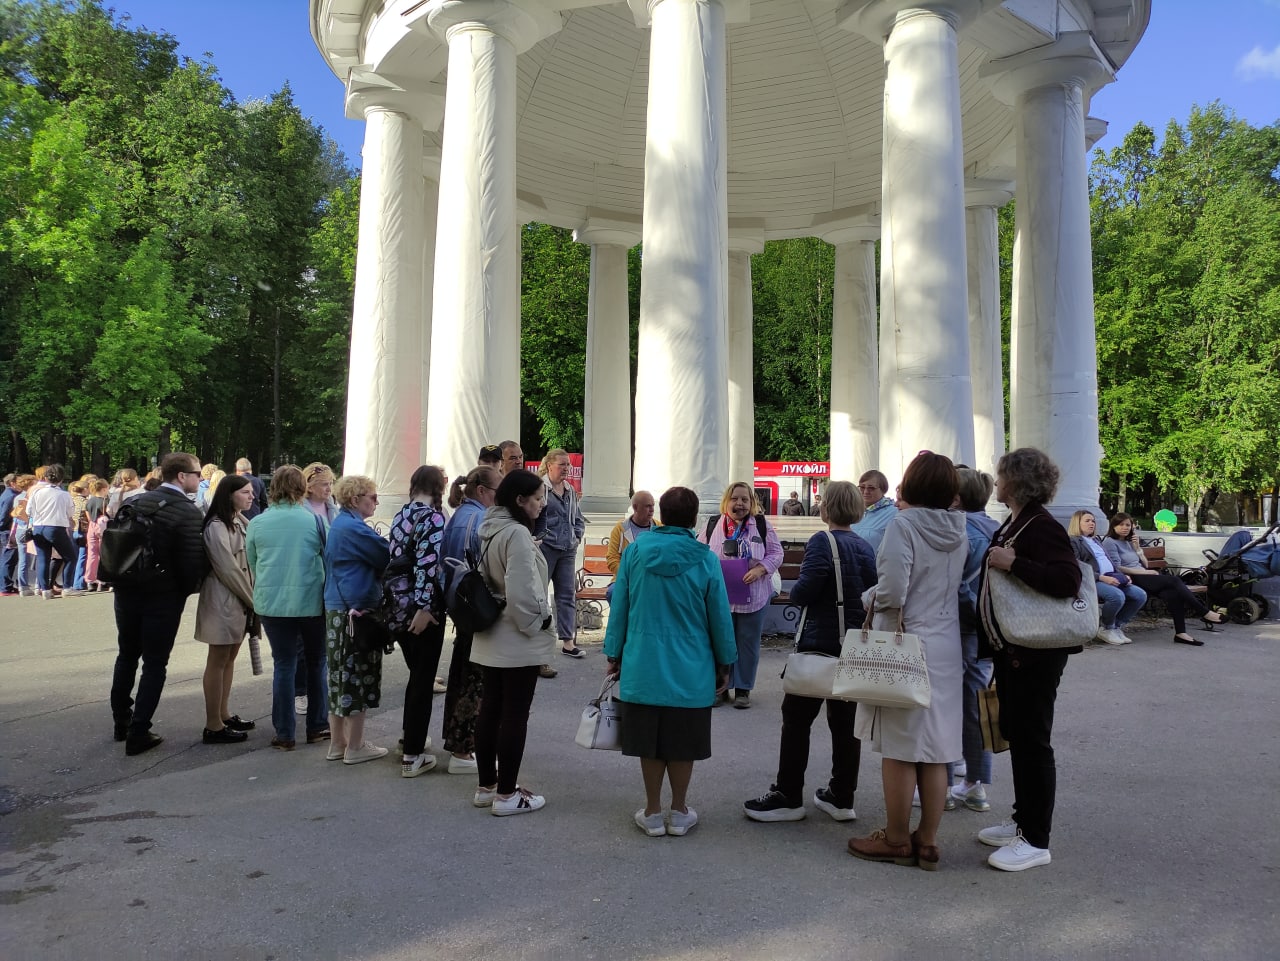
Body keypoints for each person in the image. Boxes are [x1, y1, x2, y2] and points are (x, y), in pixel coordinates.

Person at [848, 452, 966, 871]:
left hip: (906, 642)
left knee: (899, 748)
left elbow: (894, 590)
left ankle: (897, 838)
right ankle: (928, 841)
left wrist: (867, 598)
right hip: (945, 643)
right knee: (934, 750)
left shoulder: (903, 525)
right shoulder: (959, 527)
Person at [972, 448, 1089, 872]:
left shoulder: (1041, 525)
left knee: (1033, 741)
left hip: (1036, 654)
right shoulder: (1021, 519)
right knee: (1020, 736)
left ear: (1016, 481)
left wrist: (1014, 562)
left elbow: (1067, 579)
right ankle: (1024, 822)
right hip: (1017, 651)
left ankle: (1036, 840)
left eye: (1001, 476)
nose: (996, 483)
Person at [604, 486, 736, 837]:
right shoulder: (705, 558)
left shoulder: (634, 553)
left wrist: (614, 652)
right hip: (691, 666)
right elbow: (719, 617)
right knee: (682, 741)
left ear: (661, 511)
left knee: (650, 741)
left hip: (642, 661)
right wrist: (725, 661)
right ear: (694, 518)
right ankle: (679, 811)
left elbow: (621, 608)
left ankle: (651, 810)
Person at [743, 480, 877, 823]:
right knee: (845, 724)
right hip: (851, 645)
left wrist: (797, 593)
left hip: (820, 643)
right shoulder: (864, 546)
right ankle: (841, 796)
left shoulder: (822, 540)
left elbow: (809, 586)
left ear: (827, 508)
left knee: (797, 719)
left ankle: (788, 794)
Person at [471, 469, 556, 815]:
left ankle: (487, 785)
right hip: (516, 637)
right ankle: (507, 794)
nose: (541, 504)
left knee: (490, 709)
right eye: (537, 498)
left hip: (493, 633)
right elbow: (523, 593)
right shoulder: (517, 533)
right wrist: (542, 622)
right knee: (514, 715)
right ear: (520, 500)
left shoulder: (490, 528)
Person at [110, 453, 207, 756]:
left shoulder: (136, 501)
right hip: (162, 596)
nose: (200, 479)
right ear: (181, 476)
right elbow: (193, 562)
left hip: (126, 590)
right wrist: (185, 590)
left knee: (126, 654)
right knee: (155, 663)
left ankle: (121, 721)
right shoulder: (187, 512)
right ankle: (140, 730)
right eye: (197, 473)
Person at [246, 465, 329, 751]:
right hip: (310, 601)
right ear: (301, 489)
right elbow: (327, 555)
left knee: (284, 664)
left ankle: (284, 732)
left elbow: (253, 562)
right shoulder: (314, 520)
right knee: (317, 663)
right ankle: (318, 726)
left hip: (272, 603)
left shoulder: (257, 522)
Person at [385, 465, 448, 778]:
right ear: (438, 487)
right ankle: (413, 753)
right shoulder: (433, 518)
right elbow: (427, 565)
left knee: (417, 677)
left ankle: (410, 739)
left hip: (397, 605)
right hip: (423, 609)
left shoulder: (400, 515)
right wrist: (425, 607)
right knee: (423, 681)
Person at [323, 474, 392, 764]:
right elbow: (386, 555)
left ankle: (338, 743)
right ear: (355, 499)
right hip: (358, 610)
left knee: (339, 677)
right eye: (372, 497)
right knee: (357, 677)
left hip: (339, 609)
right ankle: (356, 746)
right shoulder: (354, 528)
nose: (376, 502)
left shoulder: (341, 524)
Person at [697, 481, 783, 710]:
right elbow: (699, 553)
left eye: (745, 499)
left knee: (747, 643)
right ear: (727, 501)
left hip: (753, 596)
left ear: (752, 503)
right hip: (720, 597)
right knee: (720, 641)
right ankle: (720, 689)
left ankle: (743, 689)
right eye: (735, 498)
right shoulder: (712, 525)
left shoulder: (762, 526)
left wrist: (760, 569)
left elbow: (776, 553)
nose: (740, 504)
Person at [440, 465, 501, 774]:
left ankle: (459, 744)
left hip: (460, 607)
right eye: (496, 492)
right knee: (475, 682)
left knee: (463, 675)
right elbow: (485, 566)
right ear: (482, 491)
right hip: (474, 608)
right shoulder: (478, 519)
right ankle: (463, 751)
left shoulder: (460, 515)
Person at [948, 468, 1001, 813]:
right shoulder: (996, 529)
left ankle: (952, 781)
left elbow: (961, 585)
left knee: (953, 706)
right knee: (981, 704)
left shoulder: (961, 531)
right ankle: (976, 783)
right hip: (990, 630)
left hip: (962, 628)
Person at [194, 475, 256, 746]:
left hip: (239, 600)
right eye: (245, 492)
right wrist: (254, 600)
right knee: (218, 660)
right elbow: (228, 569)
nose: (251, 496)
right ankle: (213, 724)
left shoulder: (240, 521)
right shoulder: (217, 526)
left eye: (251, 492)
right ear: (228, 494)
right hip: (223, 600)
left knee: (229, 658)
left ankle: (224, 714)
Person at [1104, 513, 1224, 646]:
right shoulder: (1110, 542)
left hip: (1144, 575)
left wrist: (1137, 548)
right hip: (1131, 578)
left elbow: (1145, 564)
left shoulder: (1129, 542)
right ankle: (1204, 612)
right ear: (1113, 526)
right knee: (1174, 581)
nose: (1125, 527)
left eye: (1128, 525)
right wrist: (1147, 572)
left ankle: (1181, 633)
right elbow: (1118, 568)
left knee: (1173, 593)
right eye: (1121, 525)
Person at [294, 462, 339, 717]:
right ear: (309, 487)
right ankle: (300, 692)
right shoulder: (303, 510)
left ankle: (318, 688)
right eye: (324, 484)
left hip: (330, 579)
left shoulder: (333, 508)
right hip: (310, 579)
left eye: (331, 483)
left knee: (322, 641)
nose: (329, 489)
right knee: (304, 643)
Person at [534, 448, 586, 659]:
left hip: (567, 550)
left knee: (566, 595)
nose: (566, 468)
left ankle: (568, 642)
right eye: (562, 464)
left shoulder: (570, 490)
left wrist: (577, 535)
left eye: (568, 464)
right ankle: (538, 641)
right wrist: (539, 538)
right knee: (538, 595)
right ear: (549, 466)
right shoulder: (541, 489)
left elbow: (578, 516)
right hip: (546, 548)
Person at [1068, 510, 1146, 646]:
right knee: (1117, 596)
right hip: (1092, 580)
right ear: (1077, 523)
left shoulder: (1095, 540)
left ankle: (1116, 626)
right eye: (1087, 521)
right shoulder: (1073, 541)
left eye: (1093, 521)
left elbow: (1109, 561)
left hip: (1112, 577)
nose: (1091, 523)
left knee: (1140, 595)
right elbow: (1077, 566)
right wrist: (1101, 578)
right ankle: (1106, 627)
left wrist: (1122, 576)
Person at [28, 464, 77, 599]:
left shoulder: (37, 492)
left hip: (38, 527)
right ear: (61, 479)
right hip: (56, 527)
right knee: (70, 557)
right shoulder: (63, 494)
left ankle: (45, 590)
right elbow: (70, 512)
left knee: (43, 558)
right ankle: (67, 587)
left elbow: (28, 511)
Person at [605, 490, 656, 602]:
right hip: (624, 578)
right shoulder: (620, 529)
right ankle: (619, 619)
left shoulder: (659, 527)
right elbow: (612, 558)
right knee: (613, 593)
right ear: (635, 507)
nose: (652, 510)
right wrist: (627, 574)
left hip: (652, 579)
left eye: (653, 506)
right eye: (648, 506)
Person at [850, 470, 898, 551]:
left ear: (883, 490)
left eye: (871, 488)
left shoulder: (894, 513)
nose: (865, 491)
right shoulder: (852, 511)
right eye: (862, 487)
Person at [83, 478, 110, 592]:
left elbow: (88, 515)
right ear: (104, 489)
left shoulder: (90, 501)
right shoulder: (105, 501)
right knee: (104, 555)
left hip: (92, 526)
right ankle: (102, 580)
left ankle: (90, 580)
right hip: (102, 527)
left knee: (92, 554)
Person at [1, 474, 19, 596]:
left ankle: (6, 585)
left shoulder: (7, 494)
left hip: (6, 530)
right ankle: (5, 587)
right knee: (8, 559)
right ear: (12, 483)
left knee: (8, 558)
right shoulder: (11, 497)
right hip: (7, 531)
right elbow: (3, 516)